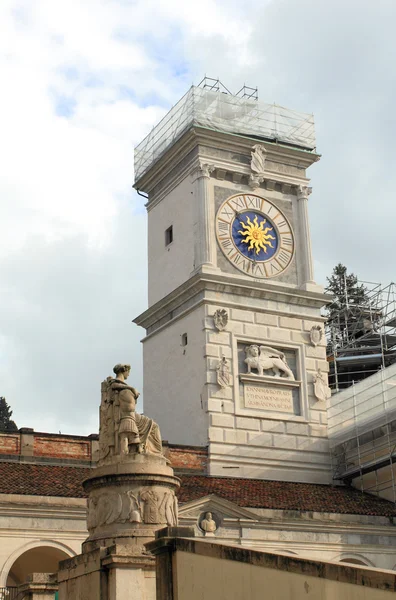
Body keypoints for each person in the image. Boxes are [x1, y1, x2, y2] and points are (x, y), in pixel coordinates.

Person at [111, 364, 163, 455]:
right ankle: (154, 451)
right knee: (154, 427)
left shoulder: (122, 386)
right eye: (128, 372)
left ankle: (153, 452)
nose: (129, 375)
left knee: (154, 426)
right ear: (124, 371)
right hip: (127, 415)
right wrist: (131, 388)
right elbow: (114, 385)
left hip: (131, 414)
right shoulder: (115, 383)